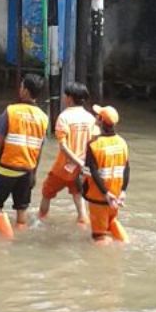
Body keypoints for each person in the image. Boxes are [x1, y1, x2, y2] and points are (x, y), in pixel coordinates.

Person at [0, 74, 49, 239]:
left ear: (25, 91)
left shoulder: (11, 110)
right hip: (27, 170)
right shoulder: (44, 118)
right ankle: (20, 239)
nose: (19, 89)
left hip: (7, 168)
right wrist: (34, 173)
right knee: (21, 210)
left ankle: (6, 239)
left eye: (21, 86)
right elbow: (39, 148)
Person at [38, 82, 97, 225]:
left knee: (46, 193)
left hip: (63, 168)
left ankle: (39, 220)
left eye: (65, 95)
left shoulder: (64, 117)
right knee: (78, 196)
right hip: (80, 169)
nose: (64, 98)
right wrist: (84, 164)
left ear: (70, 98)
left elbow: (63, 147)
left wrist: (78, 162)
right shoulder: (90, 118)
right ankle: (83, 225)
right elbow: (94, 142)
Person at [82, 105, 130, 243]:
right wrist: (123, 191)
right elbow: (127, 169)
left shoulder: (94, 144)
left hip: (100, 197)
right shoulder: (122, 142)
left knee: (99, 236)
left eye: (98, 116)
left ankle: (104, 261)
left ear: (100, 120)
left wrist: (104, 193)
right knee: (111, 222)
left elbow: (92, 172)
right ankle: (124, 242)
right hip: (116, 196)